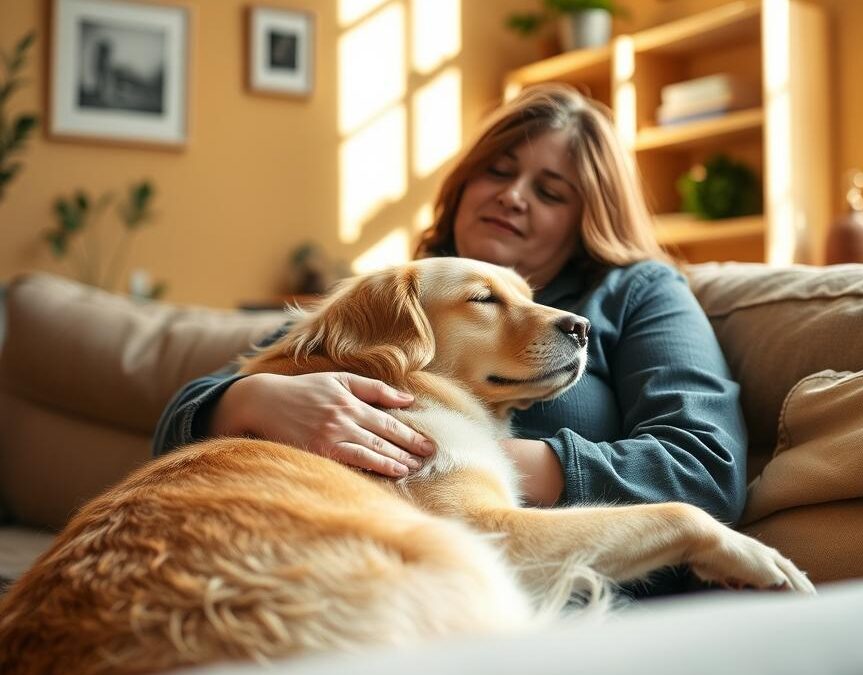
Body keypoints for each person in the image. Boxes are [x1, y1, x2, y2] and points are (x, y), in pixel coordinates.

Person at [154, 84, 747, 592]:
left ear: (586, 215)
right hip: (337, 558)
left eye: (550, 192)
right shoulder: (393, 296)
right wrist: (257, 400)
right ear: (463, 184)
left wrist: (455, 457)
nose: (513, 196)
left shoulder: (634, 292)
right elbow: (179, 426)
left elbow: (706, 466)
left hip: (538, 574)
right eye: (499, 170)